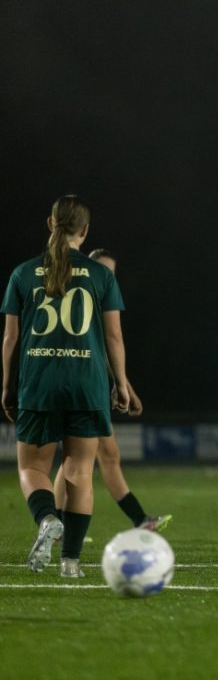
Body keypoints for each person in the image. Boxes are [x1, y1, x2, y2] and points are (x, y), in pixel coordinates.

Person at [2, 195, 131, 578]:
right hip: (86, 383)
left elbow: (10, 339)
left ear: (50, 224)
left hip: (39, 382)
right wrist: (120, 383)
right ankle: (71, 562)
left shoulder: (23, 273)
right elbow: (114, 335)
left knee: (31, 467)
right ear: (85, 231)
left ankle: (46, 518)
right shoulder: (100, 275)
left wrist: (8, 387)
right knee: (79, 471)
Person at [51, 249, 169, 536]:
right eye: (104, 270)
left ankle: (55, 523)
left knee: (104, 456)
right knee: (82, 459)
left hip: (93, 387)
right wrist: (123, 386)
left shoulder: (97, 298)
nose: (108, 277)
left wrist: (123, 385)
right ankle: (54, 524)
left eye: (112, 273)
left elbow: (105, 350)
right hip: (84, 389)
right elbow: (104, 345)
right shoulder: (86, 301)